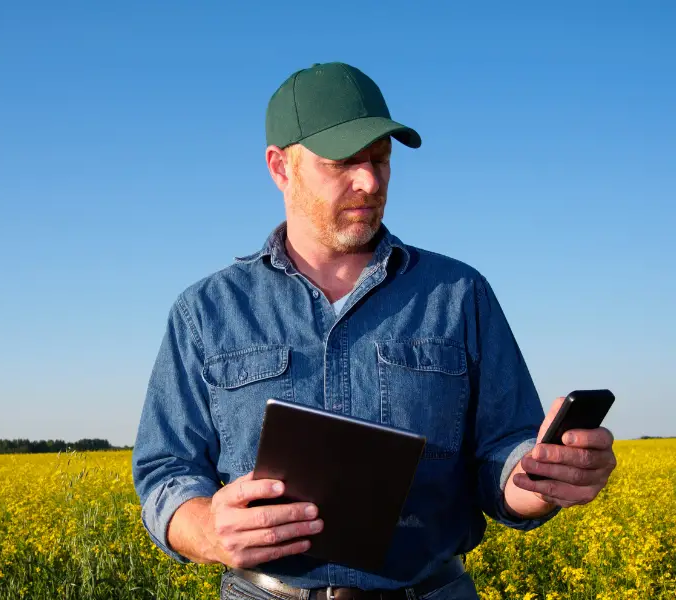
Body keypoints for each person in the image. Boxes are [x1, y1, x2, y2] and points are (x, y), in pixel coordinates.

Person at [132, 62, 617, 600]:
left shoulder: (459, 293)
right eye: (342, 163)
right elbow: (165, 469)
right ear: (280, 167)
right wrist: (204, 529)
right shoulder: (206, 311)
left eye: (380, 160)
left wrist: (538, 480)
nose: (369, 181)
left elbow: (504, 453)